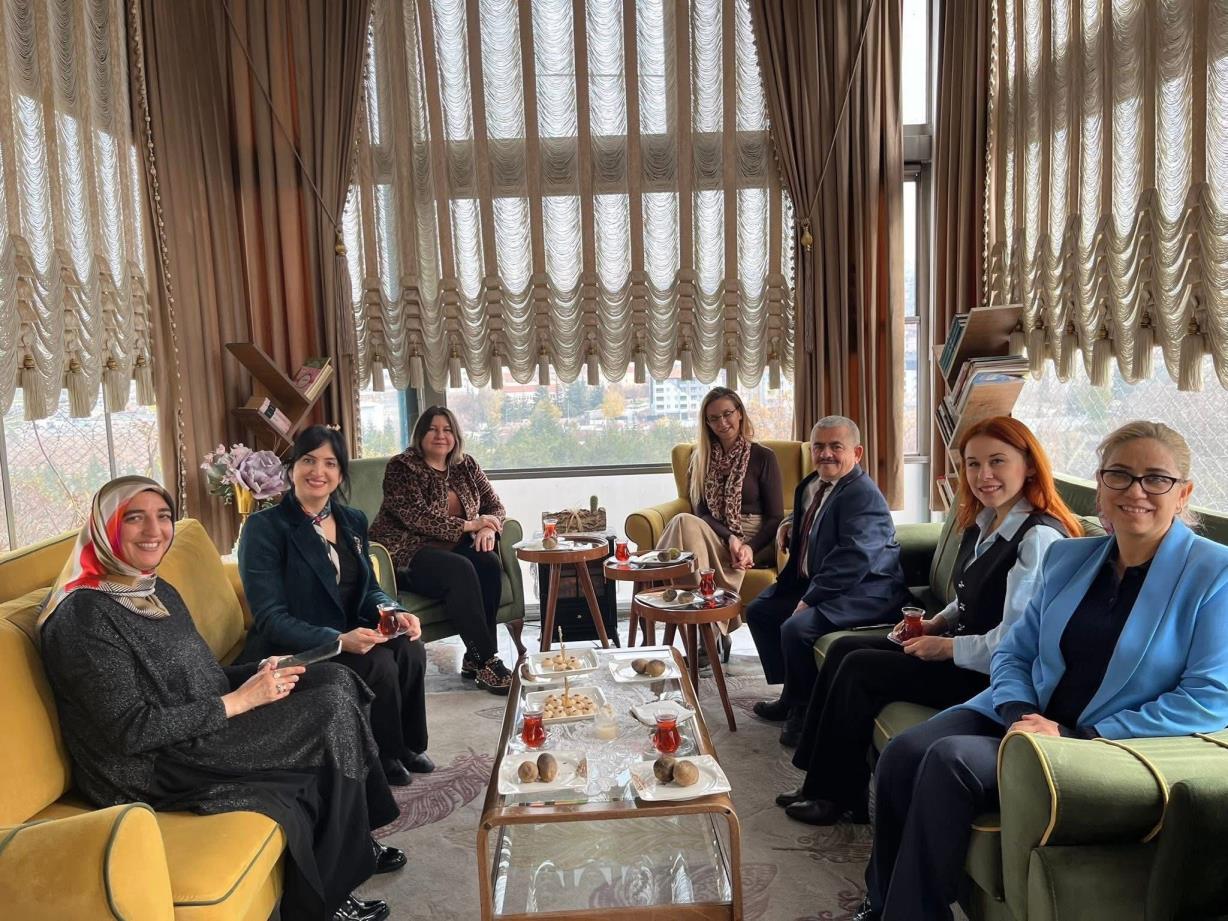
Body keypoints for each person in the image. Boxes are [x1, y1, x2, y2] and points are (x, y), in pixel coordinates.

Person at [855, 421, 1228, 921]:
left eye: (1156, 479)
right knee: (903, 753)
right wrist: (1018, 711)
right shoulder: (1069, 558)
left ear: (1183, 493)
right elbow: (1014, 651)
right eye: (1119, 475)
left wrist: (1077, 734)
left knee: (949, 760)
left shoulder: (1214, 573)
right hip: (1022, 711)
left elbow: (1208, 698)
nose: (1135, 491)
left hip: (1095, 742)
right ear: (1100, 485)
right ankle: (881, 903)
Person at [38, 476, 404, 921]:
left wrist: (260, 671)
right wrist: (240, 702)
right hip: (150, 765)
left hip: (197, 724)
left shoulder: (152, 588)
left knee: (335, 678)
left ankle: (358, 838)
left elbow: (202, 677)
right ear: (103, 528)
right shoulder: (84, 616)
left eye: (163, 516)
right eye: (134, 518)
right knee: (328, 712)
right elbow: (129, 731)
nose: (154, 530)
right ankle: (331, 896)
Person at [780, 417, 1082, 825]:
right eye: (973, 464)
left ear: (1028, 466)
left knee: (858, 669)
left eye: (997, 461)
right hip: (962, 649)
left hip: (989, 677)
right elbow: (972, 593)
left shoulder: (1038, 538)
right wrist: (937, 622)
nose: (983, 475)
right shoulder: (987, 520)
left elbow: (1015, 641)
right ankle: (819, 782)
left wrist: (946, 647)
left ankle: (836, 797)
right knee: (844, 649)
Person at [239, 425, 432, 788]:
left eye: (330, 463)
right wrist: (339, 640)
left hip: (350, 628)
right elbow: (270, 618)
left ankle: (408, 746)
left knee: (409, 646)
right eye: (308, 460)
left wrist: (393, 612)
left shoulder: (352, 520)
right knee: (378, 663)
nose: (318, 471)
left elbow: (369, 588)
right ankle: (384, 755)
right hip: (298, 645)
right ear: (292, 468)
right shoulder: (265, 528)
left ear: (341, 473)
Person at [746, 415, 910, 746]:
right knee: (759, 611)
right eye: (819, 446)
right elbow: (817, 517)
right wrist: (789, 524)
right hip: (818, 580)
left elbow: (853, 558)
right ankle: (791, 694)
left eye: (836, 446)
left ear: (857, 453)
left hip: (866, 591)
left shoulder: (863, 495)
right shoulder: (812, 484)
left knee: (796, 628)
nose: (826, 454)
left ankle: (804, 712)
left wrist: (810, 599)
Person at [370, 406, 513, 693]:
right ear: (421, 435)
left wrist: (488, 527)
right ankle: (487, 660)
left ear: (455, 436)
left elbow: (495, 505)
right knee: (460, 569)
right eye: (433, 429)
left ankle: (475, 658)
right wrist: (471, 525)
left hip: (452, 549)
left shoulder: (466, 465)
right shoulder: (402, 467)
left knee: (487, 562)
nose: (440, 435)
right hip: (407, 553)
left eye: (447, 430)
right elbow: (416, 517)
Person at [655, 386, 783, 647]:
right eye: (713, 418)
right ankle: (711, 629)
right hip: (715, 533)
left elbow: (775, 517)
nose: (722, 423)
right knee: (684, 522)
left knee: (687, 537)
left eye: (727, 414)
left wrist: (747, 545)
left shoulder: (763, 457)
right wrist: (730, 538)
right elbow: (702, 512)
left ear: (740, 413)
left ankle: (702, 630)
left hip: (754, 539)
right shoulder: (699, 459)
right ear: (706, 423)